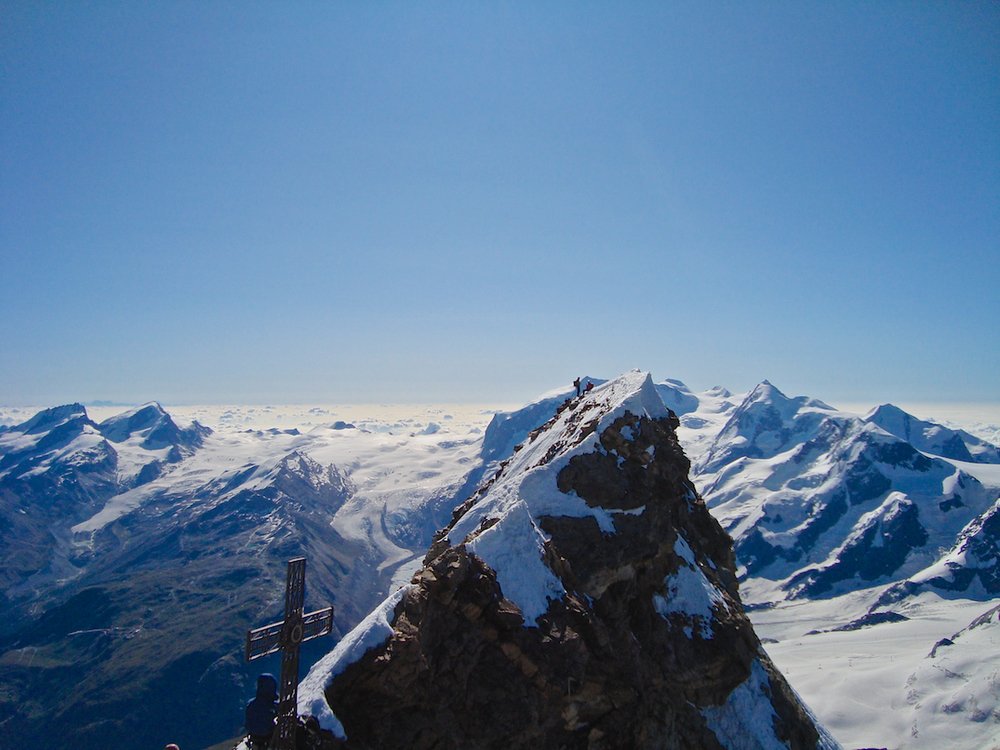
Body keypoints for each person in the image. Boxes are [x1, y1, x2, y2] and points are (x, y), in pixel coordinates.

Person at [245, 673, 279, 749]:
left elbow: (248, 724)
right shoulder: (272, 705)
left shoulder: (251, 704)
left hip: (254, 739)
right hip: (268, 740)